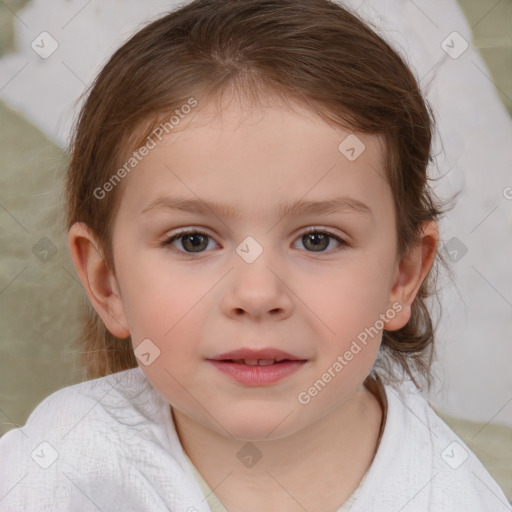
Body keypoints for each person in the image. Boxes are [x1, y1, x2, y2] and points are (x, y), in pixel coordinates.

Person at [0, 0, 510, 510]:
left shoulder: (449, 495)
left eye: (318, 240)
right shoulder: (56, 469)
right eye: (192, 241)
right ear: (106, 280)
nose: (258, 294)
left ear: (402, 276)